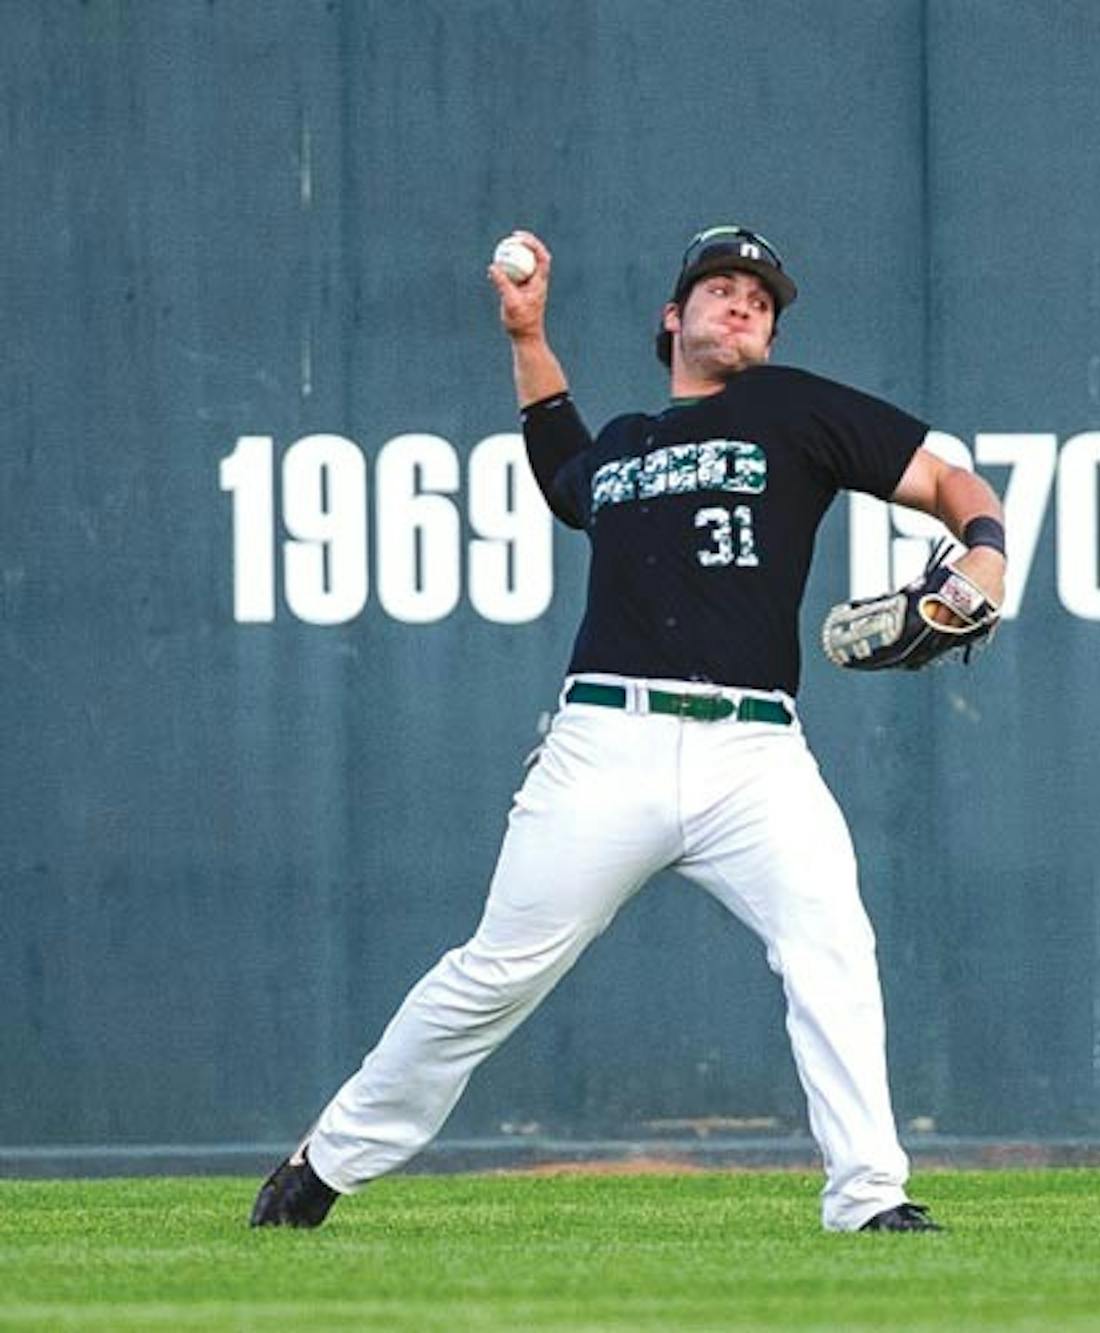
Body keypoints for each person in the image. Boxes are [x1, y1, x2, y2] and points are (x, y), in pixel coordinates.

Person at [250, 224, 1007, 1233]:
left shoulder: (793, 409)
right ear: (672, 316)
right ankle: (321, 1166)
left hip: (755, 756)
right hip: (605, 745)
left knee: (831, 944)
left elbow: (949, 480)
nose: (744, 304)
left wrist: (986, 548)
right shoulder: (622, 449)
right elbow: (559, 458)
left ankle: (870, 1197)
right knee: (496, 972)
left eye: (761, 300)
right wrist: (527, 335)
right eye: (722, 288)